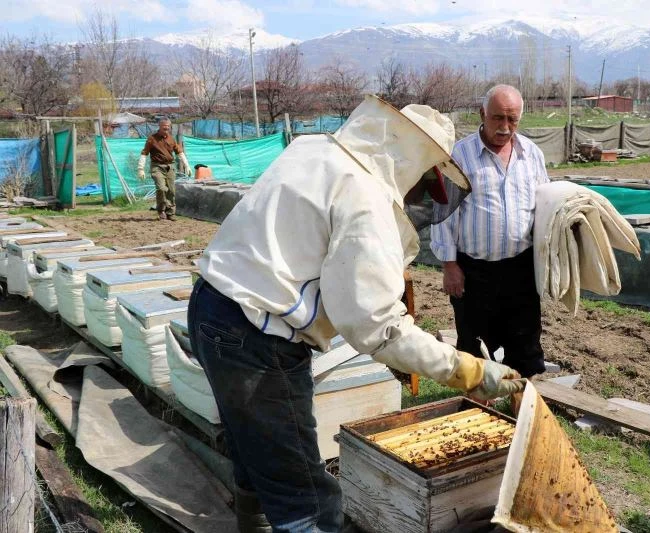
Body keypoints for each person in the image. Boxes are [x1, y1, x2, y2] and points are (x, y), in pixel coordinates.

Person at [188, 95, 525, 533]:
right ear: (411, 162)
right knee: (306, 495)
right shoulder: (365, 197)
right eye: (425, 185)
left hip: (210, 308)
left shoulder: (312, 148)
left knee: (253, 449)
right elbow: (379, 328)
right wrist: (468, 370)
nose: (419, 198)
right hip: (258, 338)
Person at [430, 84, 550, 378]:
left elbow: (546, 206)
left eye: (513, 120)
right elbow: (444, 215)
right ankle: (477, 410)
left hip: (521, 268)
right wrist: (449, 266)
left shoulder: (531, 155)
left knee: (525, 345)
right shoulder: (460, 155)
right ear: (482, 113)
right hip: (474, 273)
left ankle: (521, 409)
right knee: (475, 348)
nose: (505, 127)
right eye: (498, 118)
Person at [137, 118, 191, 221]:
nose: (166, 128)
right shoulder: (152, 139)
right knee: (161, 188)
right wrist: (140, 169)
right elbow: (144, 153)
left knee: (171, 190)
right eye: (164, 126)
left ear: (170, 127)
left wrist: (186, 165)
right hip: (157, 167)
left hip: (170, 167)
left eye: (168, 126)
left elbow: (179, 152)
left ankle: (170, 212)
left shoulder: (171, 139)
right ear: (160, 126)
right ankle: (161, 211)